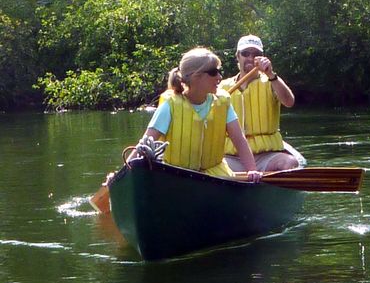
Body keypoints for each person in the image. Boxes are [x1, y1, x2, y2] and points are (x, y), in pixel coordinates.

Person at [128, 47, 262, 182]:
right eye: (213, 72)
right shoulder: (170, 105)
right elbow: (144, 144)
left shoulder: (223, 102)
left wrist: (252, 170)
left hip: (216, 176)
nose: (219, 77)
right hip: (176, 177)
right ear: (196, 76)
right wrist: (124, 171)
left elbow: (239, 140)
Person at [219, 35, 306, 172]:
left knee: (289, 163)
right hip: (232, 157)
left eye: (256, 54)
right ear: (237, 56)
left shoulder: (271, 81)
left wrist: (271, 75)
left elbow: (289, 102)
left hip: (266, 156)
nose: (250, 58)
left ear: (262, 57)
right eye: (245, 53)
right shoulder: (223, 87)